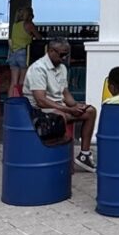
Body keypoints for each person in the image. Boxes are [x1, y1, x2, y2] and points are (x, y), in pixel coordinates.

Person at [24, 38, 97, 170]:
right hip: (39, 110)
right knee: (59, 117)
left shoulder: (62, 68)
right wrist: (68, 110)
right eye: (62, 54)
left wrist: (76, 105)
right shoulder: (38, 69)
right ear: (51, 51)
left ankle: (84, 155)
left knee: (90, 111)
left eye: (66, 55)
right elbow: (41, 100)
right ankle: (59, 159)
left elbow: (65, 93)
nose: (64, 58)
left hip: (58, 106)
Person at [7, 6, 37, 95]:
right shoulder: (29, 25)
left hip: (12, 54)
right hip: (23, 54)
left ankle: (10, 103)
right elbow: (39, 36)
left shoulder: (15, 25)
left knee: (13, 82)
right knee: (22, 81)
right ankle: (19, 103)